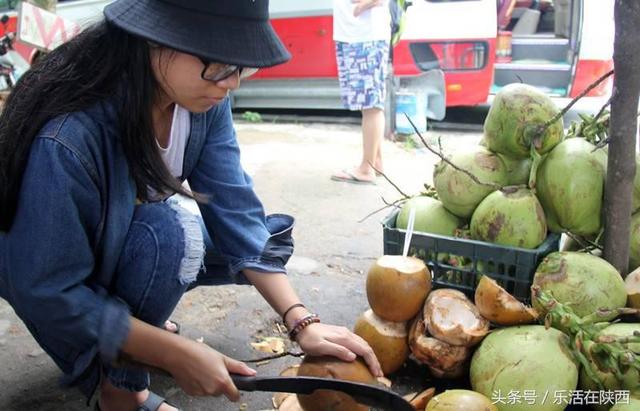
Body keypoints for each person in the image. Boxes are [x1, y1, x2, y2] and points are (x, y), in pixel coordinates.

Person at [0, 1, 382, 410]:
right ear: (153, 40)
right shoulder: (68, 138)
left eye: (241, 67)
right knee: (171, 235)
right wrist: (172, 353)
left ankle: (134, 325)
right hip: (48, 270)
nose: (231, 83)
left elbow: (235, 210)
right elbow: (48, 290)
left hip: (117, 239)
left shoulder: (204, 102)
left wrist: (301, 320)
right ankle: (121, 391)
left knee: (254, 239)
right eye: (218, 65)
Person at [331, 0, 391, 185]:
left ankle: (366, 169)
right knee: (367, 103)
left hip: (365, 37)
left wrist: (362, 6)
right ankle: (375, 162)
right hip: (354, 35)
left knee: (371, 104)